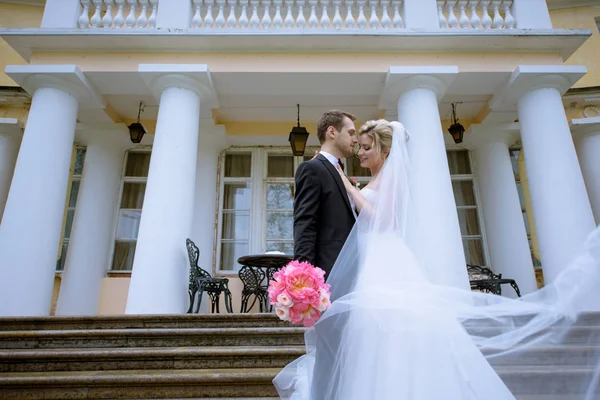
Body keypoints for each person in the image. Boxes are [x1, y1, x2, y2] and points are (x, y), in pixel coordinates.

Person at [274, 119, 600, 399]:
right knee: (371, 337)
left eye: (367, 148)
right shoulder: (375, 179)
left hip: (387, 264)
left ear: (386, 151)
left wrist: (344, 183)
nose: (360, 153)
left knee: (389, 332)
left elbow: (381, 219)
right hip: (372, 262)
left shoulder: (392, 177)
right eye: (359, 147)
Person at [293, 109, 358, 279]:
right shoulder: (312, 169)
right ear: (332, 132)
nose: (355, 140)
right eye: (351, 133)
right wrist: (303, 275)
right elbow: (305, 223)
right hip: (328, 272)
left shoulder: (341, 173)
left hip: (351, 271)